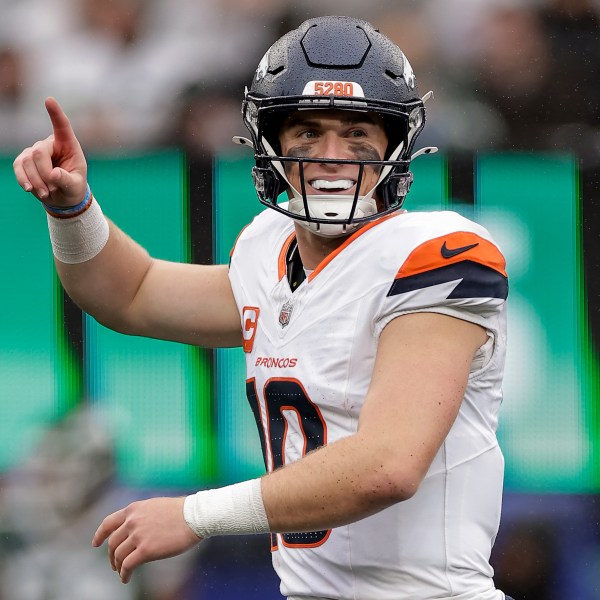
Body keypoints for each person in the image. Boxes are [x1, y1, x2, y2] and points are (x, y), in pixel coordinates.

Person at [13, 16, 513, 600]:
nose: (332, 156)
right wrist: (73, 208)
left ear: (394, 146)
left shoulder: (437, 254)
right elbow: (132, 294)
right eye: (307, 132)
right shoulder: (268, 246)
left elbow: (389, 465)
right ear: (269, 143)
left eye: (357, 134)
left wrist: (195, 515)